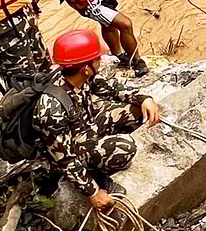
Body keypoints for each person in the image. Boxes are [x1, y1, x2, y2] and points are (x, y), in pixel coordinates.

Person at [33, 29, 161, 211]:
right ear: (86, 68)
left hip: (86, 125)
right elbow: (64, 159)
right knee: (125, 147)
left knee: (137, 112)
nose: (100, 61)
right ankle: (97, 175)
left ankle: (99, 156)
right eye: (97, 59)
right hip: (68, 148)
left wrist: (143, 98)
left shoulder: (81, 75)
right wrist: (92, 192)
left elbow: (112, 89)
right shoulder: (52, 110)